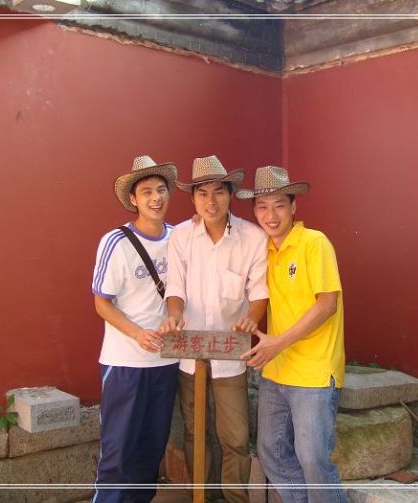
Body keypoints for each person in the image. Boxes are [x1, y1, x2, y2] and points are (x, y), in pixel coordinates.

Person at [160, 155, 268, 503]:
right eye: (202, 193)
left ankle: (235, 498)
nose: (211, 201)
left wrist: (252, 318)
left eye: (218, 192)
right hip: (189, 351)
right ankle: (201, 497)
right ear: (192, 199)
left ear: (230, 195)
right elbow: (175, 286)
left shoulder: (252, 237)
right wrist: (175, 314)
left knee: (235, 435)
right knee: (195, 432)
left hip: (230, 353)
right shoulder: (181, 236)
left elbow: (259, 292)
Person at [239, 166, 347, 503]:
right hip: (276, 371)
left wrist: (278, 342)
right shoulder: (263, 250)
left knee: (313, 458)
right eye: (262, 207)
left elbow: (327, 304)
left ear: (294, 206)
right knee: (270, 451)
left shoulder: (314, 243)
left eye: (279, 205)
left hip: (314, 372)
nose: (270, 216)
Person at [91, 155, 180, 503]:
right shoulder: (116, 242)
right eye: (147, 192)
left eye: (161, 190)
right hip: (125, 362)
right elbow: (102, 303)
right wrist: (137, 333)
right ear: (133, 199)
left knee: (151, 448)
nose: (156, 198)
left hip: (166, 362)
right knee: (118, 449)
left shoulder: (180, 238)